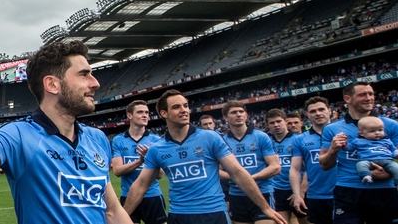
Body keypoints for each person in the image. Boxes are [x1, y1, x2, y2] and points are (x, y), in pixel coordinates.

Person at [0, 41, 132, 223]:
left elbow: (112, 211)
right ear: (52, 84)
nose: (95, 83)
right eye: (83, 75)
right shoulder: (19, 136)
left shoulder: (97, 138)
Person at [123, 90, 287, 224]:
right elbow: (141, 185)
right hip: (178, 215)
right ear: (164, 113)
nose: (184, 110)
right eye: (176, 107)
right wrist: (122, 216)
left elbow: (237, 173)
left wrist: (264, 207)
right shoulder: (157, 149)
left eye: (185, 106)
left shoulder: (210, 138)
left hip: (213, 213)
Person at [319, 82, 398, 224]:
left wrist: (389, 173)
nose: (369, 98)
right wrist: (332, 151)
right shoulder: (332, 129)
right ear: (347, 99)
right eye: (362, 95)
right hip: (348, 190)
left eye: (371, 94)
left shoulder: (389, 125)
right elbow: (324, 165)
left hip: (384, 190)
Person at [221, 101, 282, 224]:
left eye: (241, 111)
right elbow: (218, 171)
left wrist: (250, 179)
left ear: (246, 115)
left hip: (262, 192)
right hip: (237, 195)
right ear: (226, 117)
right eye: (234, 112)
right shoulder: (222, 141)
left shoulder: (261, 137)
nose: (238, 114)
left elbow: (275, 167)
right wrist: (237, 178)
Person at [111, 100, 167, 224]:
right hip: (128, 196)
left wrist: (150, 159)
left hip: (152, 195)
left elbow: (160, 175)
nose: (145, 115)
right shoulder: (118, 140)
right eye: (140, 112)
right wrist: (140, 161)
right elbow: (117, 171)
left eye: (147, 112)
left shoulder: (156, 140)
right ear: (129, 115)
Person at [289, 97, 336, 224]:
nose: (318, 113)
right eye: (313, 111)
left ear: (329, 111)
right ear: (307, 115)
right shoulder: (299, 139)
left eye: (321, 109)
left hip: (344, 192)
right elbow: (295, 169)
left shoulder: (342, 133)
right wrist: (297, 194)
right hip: (316, 195)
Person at [342, 116, 398, 195]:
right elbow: (348, 148)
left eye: (380, 130)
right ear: (361, 133)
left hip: (387, 161)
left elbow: (393, 150)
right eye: (372, 131)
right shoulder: (358, 141)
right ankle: (366, 176)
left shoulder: (387, 141)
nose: (377, 133)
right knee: (360, 164)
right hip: (368, 161)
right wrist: (344, 143)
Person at [265, 109, 307, 224]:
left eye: (279, 121)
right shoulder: (267, 142)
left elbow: (308, 168)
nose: (276, 125)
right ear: (267, 125)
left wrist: (299, 191)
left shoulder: (298, 139)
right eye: (272, 123)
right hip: (277, 190)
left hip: (296, 189)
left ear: (285, 121)